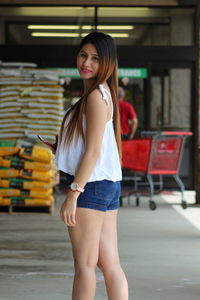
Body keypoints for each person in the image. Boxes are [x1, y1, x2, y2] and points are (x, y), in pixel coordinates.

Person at [54, 32, 129, 300]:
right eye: (83, 55)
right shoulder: (101, 93)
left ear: (107, 63)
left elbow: (94, 151)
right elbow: (93, 145)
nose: (87, 62)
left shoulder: (96, 97)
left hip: (90, 186)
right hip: (106, 183)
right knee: (110, 264)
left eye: (96, 58)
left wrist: (73, 193)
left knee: (84, 265)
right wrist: (61, 148)